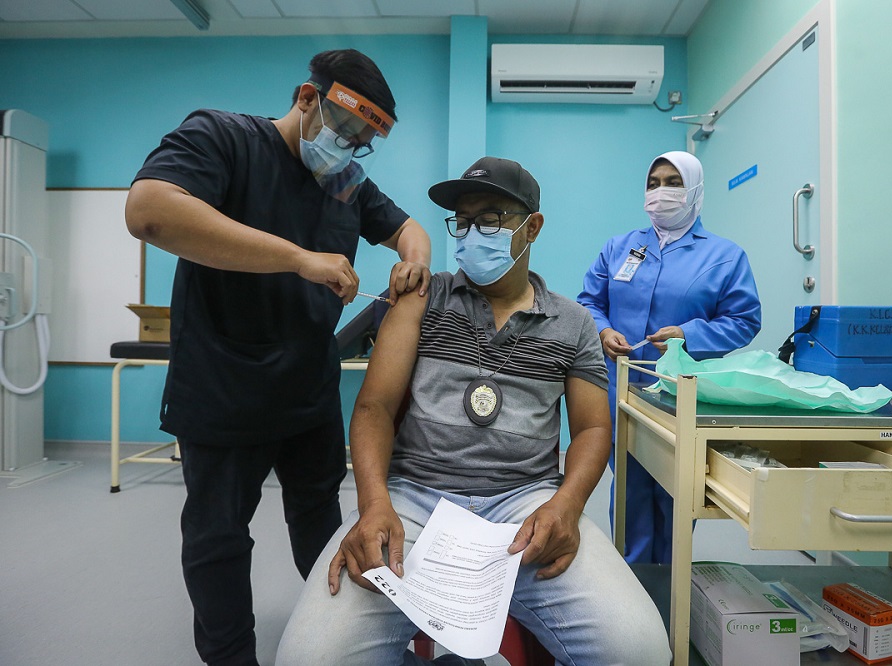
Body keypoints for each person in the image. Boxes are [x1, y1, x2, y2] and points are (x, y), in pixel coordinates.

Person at [276, 157, 670, 665]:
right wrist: (374, 503)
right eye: (462, 221)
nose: (470, 233)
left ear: (532, 227)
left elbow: (594, 428)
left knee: (638, 651)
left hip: (524, 505)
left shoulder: (572, 323)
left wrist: (566, 506)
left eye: (490, 219)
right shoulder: (422, 298)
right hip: (413, 501)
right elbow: (374, 407)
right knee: (308, 659)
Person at [124, 49, 431, 666]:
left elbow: (408, 229)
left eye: (364, 141)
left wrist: (412, 262)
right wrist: (297, 257)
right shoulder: (224, 138)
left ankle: (345, 636)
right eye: (346, 130)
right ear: (307, 97)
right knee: (218, 539)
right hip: (221, 384)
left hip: (305, 391)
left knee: (319, 524)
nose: (348, 148)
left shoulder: (342, 181)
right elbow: (149, 211)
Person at [577, 150, 761, 565]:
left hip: (679, 396)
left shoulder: (724, 256)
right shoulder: (620, 247)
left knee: (675, 495)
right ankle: (631, 587)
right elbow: (589, 300)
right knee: (628, 491)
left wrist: (688, 335)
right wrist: (603, 330)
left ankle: (670, 589)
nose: (661, 191)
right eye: (653, 182)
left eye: (673, 182)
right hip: (620, 389)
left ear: (694, 189)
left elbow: (744, 320)